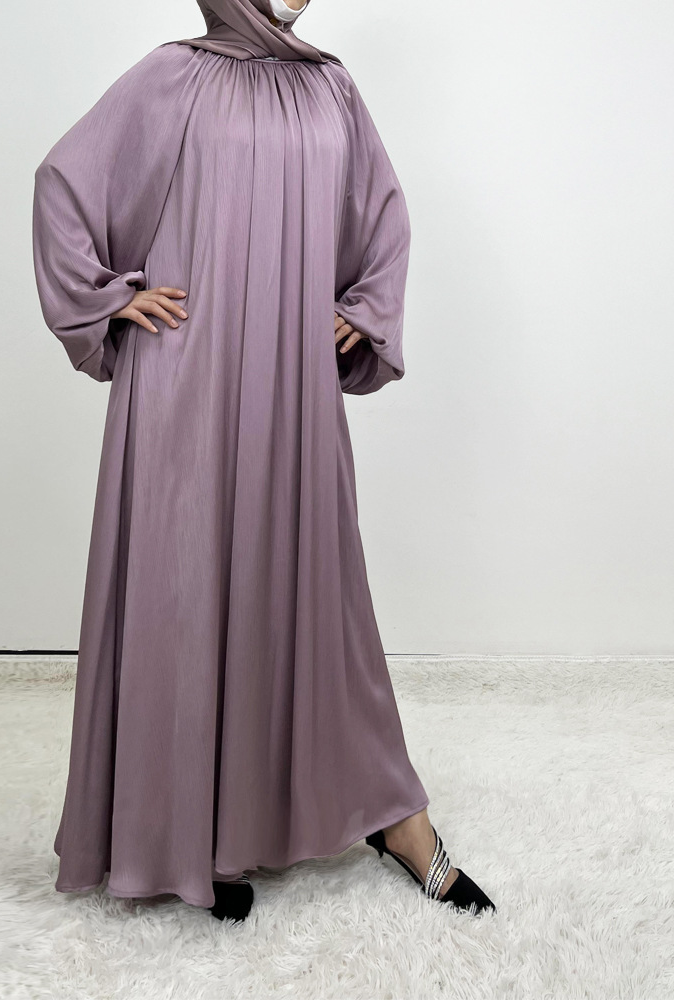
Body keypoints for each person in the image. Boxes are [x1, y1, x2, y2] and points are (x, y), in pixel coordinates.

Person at [31, 0, 496, 923]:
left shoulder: (332, 90)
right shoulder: (173, 75)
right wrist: (109, 297)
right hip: (185, 384)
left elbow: (382, 217)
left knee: (314, 590)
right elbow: (63, 183)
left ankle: (395, 816)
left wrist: (363, 311)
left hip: (289, 386)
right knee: (184, 597)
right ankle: (194, 837)